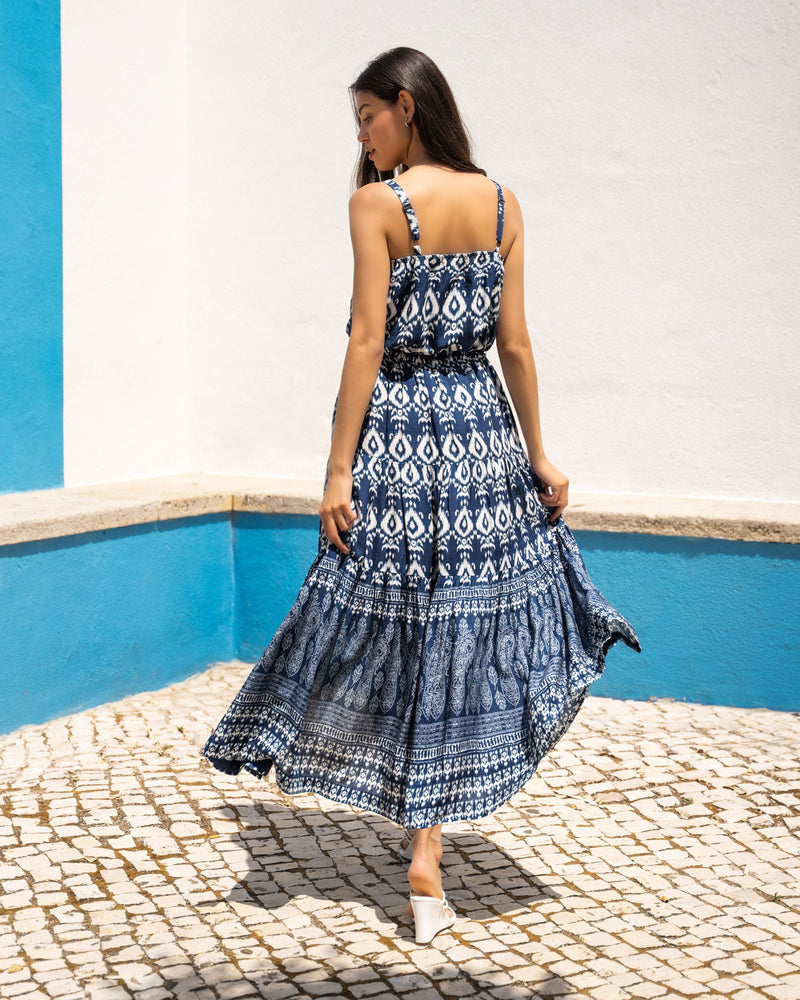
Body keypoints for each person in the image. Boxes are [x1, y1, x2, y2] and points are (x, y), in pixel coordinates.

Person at [202, 46, 640, 945]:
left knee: (371, 613)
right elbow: (513, 346)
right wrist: (539, 455)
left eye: (367, 116)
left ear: (405, 106)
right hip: (480, 436)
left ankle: (404, 829)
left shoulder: (378, 206)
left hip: (401, 434)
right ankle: (426, 856)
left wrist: (335, 472)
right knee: (457, 627)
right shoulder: (506, 204)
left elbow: (367, 341)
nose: (361, 137)